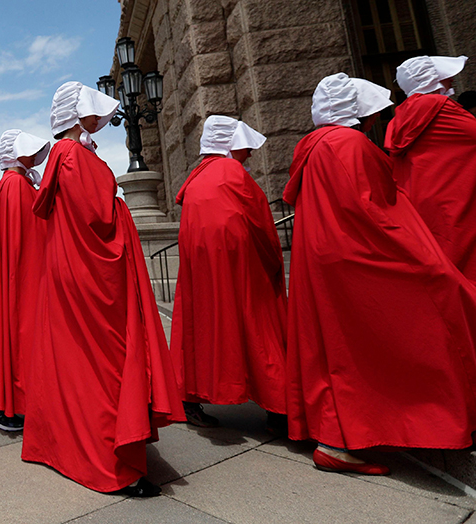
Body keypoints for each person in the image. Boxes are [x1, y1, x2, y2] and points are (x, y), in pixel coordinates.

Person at [285, 73, 476, 475]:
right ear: (357, 114)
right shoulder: (349, 144)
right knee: (433, 309)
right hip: (356, 256)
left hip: (325, 258)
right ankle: (429, 418)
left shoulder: (315, 146)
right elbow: (379, 211)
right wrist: (428, 261)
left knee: (339, 350)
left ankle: (335, 437)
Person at [23, 81, 185, 497]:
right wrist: (120, 206)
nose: (104, 116)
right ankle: (108, 462)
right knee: (105, 361)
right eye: (94, 111)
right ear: (80, 117)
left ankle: (68, 446)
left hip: (70, 268)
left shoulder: (64, 156)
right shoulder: (74, 156)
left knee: (78, 360)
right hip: (91, 273)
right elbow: (98, 217)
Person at [170, 116, 287, 433]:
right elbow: (262, 223)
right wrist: (274, 262)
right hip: (241, 269)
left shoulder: (196, 179)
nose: (249, 152)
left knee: (202, 329)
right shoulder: (233, 173)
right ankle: (280, 405)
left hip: (202, 269)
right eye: (244, 145)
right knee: (259, 329)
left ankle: (189, 396)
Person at [0, 129, 50, 432]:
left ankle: (2, 404)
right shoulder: (17, 185)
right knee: (19, 335)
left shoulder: (13, 184)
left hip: (20, 275)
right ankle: (3, 406)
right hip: (26, 275)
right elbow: (35, 235)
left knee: (14, 334)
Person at [385, 56, 476, 279]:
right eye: (446, 76)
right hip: (455, 196)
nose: (452, 80)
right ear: (431, 80)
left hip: (425, 199)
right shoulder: (438, 106)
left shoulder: (402, 114)